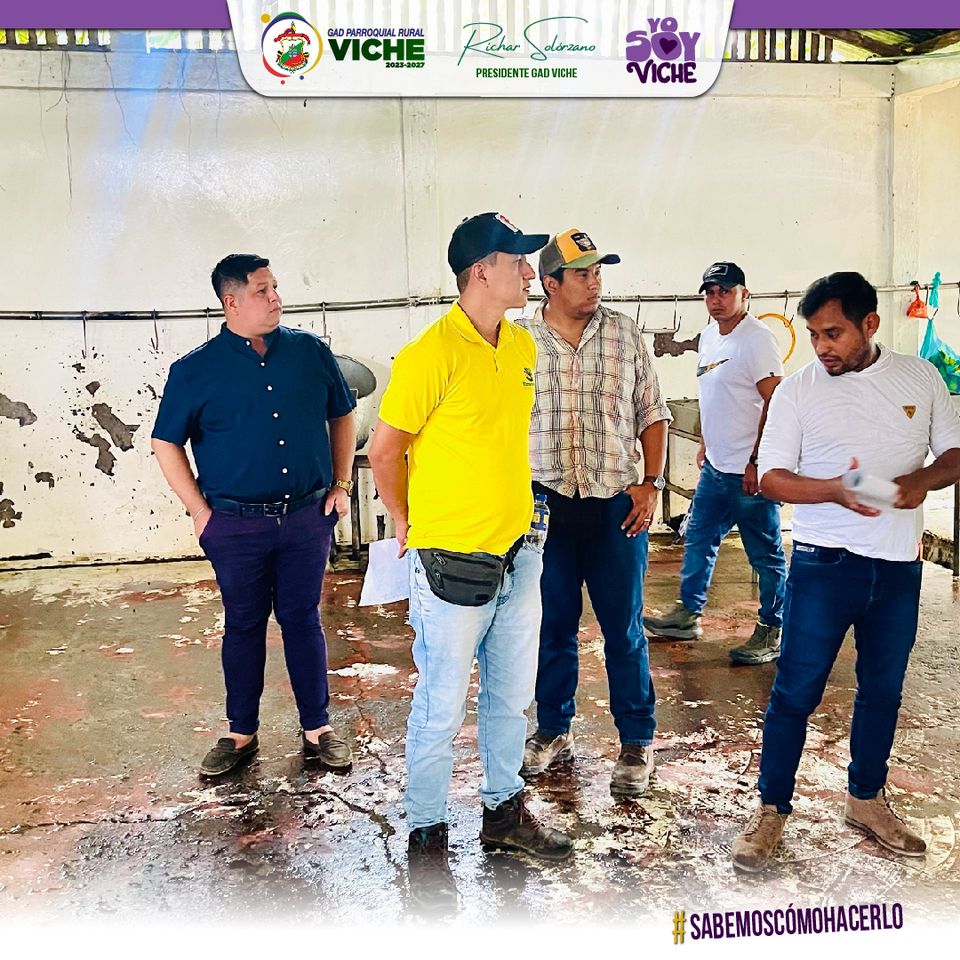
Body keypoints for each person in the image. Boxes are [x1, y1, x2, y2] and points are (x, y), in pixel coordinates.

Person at [369, 212, 574, 894]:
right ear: (481, 271)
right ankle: (427, 834)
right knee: (440, 706)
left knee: (510, 700)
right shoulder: (430, 354)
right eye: (518, 260)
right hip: (450, 563)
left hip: (519, 553)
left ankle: (503, 812)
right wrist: (406, 520)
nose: (530, 271)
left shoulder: (521, 345)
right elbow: (384, 450)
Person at [731, 271, 960, 871]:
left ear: (870, 325)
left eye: (832, 333)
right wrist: (834, 489)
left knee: (882, 691)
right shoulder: (798, 391)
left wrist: (919, 481)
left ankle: (865, 799)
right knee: (795, 693)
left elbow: (954, 453)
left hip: (898, 569)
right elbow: (772, 479)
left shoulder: (919, 377)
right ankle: (771, 808)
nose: (821, 346)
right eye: (813, 334)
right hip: (822, 567)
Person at [151, 253, 357, 777]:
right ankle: (240, 733)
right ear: (232, 302)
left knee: (302, 619)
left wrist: (341, 484)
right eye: (262, 291)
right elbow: (165, 441)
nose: (275, 298)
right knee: (243, 624)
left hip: (306, 517)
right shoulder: (194, 371)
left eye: (275, 287)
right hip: (235, 524)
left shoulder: (310, 352)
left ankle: (318, 729)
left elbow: (342, 414)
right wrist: (200, 511)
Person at [516, 228, 670, 796]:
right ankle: (553, 729)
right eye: (582, 273)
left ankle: (636, 740)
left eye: (598, 272)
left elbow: (652, 412)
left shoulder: (624, 334)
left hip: (615, 507)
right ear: (550, 283)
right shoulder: (518, 340)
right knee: (552, 626)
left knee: (623, 629)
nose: (595, 282)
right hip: (544, 507)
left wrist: (651, 484)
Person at [644, 262, 788, 665]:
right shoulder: (710, 336)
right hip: (717, 467)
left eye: (725, 291)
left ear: (744, 294)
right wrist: (708, 441)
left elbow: (777, 402)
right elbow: (715, 395)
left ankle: (773, 628)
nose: (716, 299)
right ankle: (687, 614)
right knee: (698, 536)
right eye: (710, 292)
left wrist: (758, 460)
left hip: (748, 472)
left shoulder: (757, 340)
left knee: (765, 554)